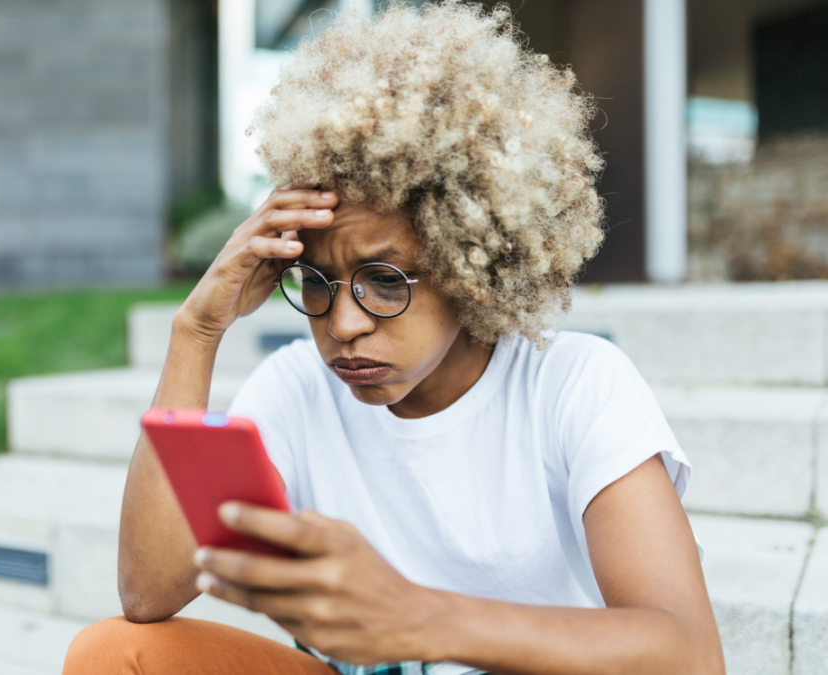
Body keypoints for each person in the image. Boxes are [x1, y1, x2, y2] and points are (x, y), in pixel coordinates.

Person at [63, 3, 724, 674]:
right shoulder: (297, 390)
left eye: (384, 280)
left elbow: (691, 656)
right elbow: (147, 593)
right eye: (318, 282)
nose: (344, 324)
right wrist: (197, 330)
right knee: (116, 655)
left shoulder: (573, 385)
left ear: (471, 265)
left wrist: (417, 616)